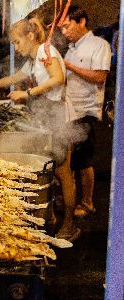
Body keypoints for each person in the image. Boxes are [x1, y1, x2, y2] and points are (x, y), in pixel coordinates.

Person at [0, 18, 80, 241]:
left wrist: (28, 94)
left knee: (63, 173)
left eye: (17, 42)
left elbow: (58, 78)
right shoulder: (35, 58)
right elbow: (17, 77)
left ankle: (70, 225)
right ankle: (50, 217)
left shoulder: (46, 52)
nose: (16, 47)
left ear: (31, 36)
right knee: (48, 169)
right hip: (45, 116)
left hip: (57, 116)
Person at [60, 5, 111, 218]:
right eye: (61, 29)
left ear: (81, 21)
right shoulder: (72, 47)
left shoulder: (99, 45)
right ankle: (71, 199)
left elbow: (100, 77)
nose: (64, 32)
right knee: (69, 159)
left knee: (83, 160)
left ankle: (88, 202)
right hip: (69, 108)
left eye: (66, 26)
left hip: (86, 109)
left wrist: (69, 67)